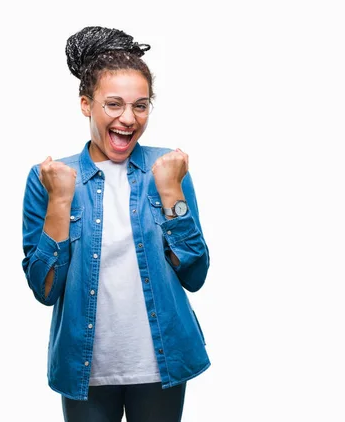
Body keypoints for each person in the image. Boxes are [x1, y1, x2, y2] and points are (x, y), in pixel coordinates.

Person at [21, 26, 210, 422]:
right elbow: (44, 289)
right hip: (84, 366)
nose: (128, 118)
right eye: (114, 104)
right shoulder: (51, 177)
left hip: (163, 362)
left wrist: (172, 193)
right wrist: (59, 200)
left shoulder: (169, 169)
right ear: (86, 104)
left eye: (140, 106)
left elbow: (195, 275)